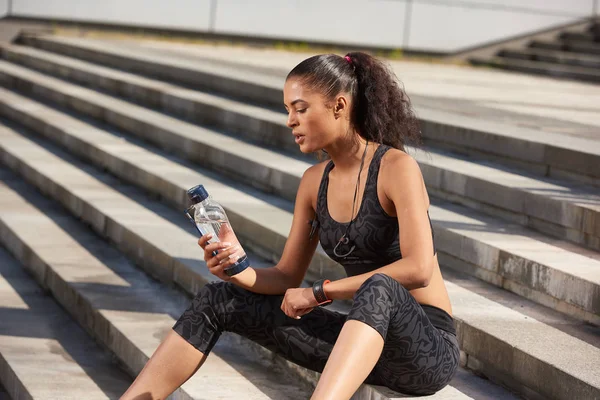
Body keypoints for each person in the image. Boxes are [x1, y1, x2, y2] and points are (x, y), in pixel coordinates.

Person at [120, 52, 459, 400]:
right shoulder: (314, 183)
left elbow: (418, 269)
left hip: (423, 350)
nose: (289, 121)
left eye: (300, 108)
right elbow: (285, 277)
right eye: (287, 110)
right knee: (218, 298)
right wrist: (238, 268)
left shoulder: (396, 168)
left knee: (380, 286)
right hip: (363, 342)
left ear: (339, 106)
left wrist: (321, 292)